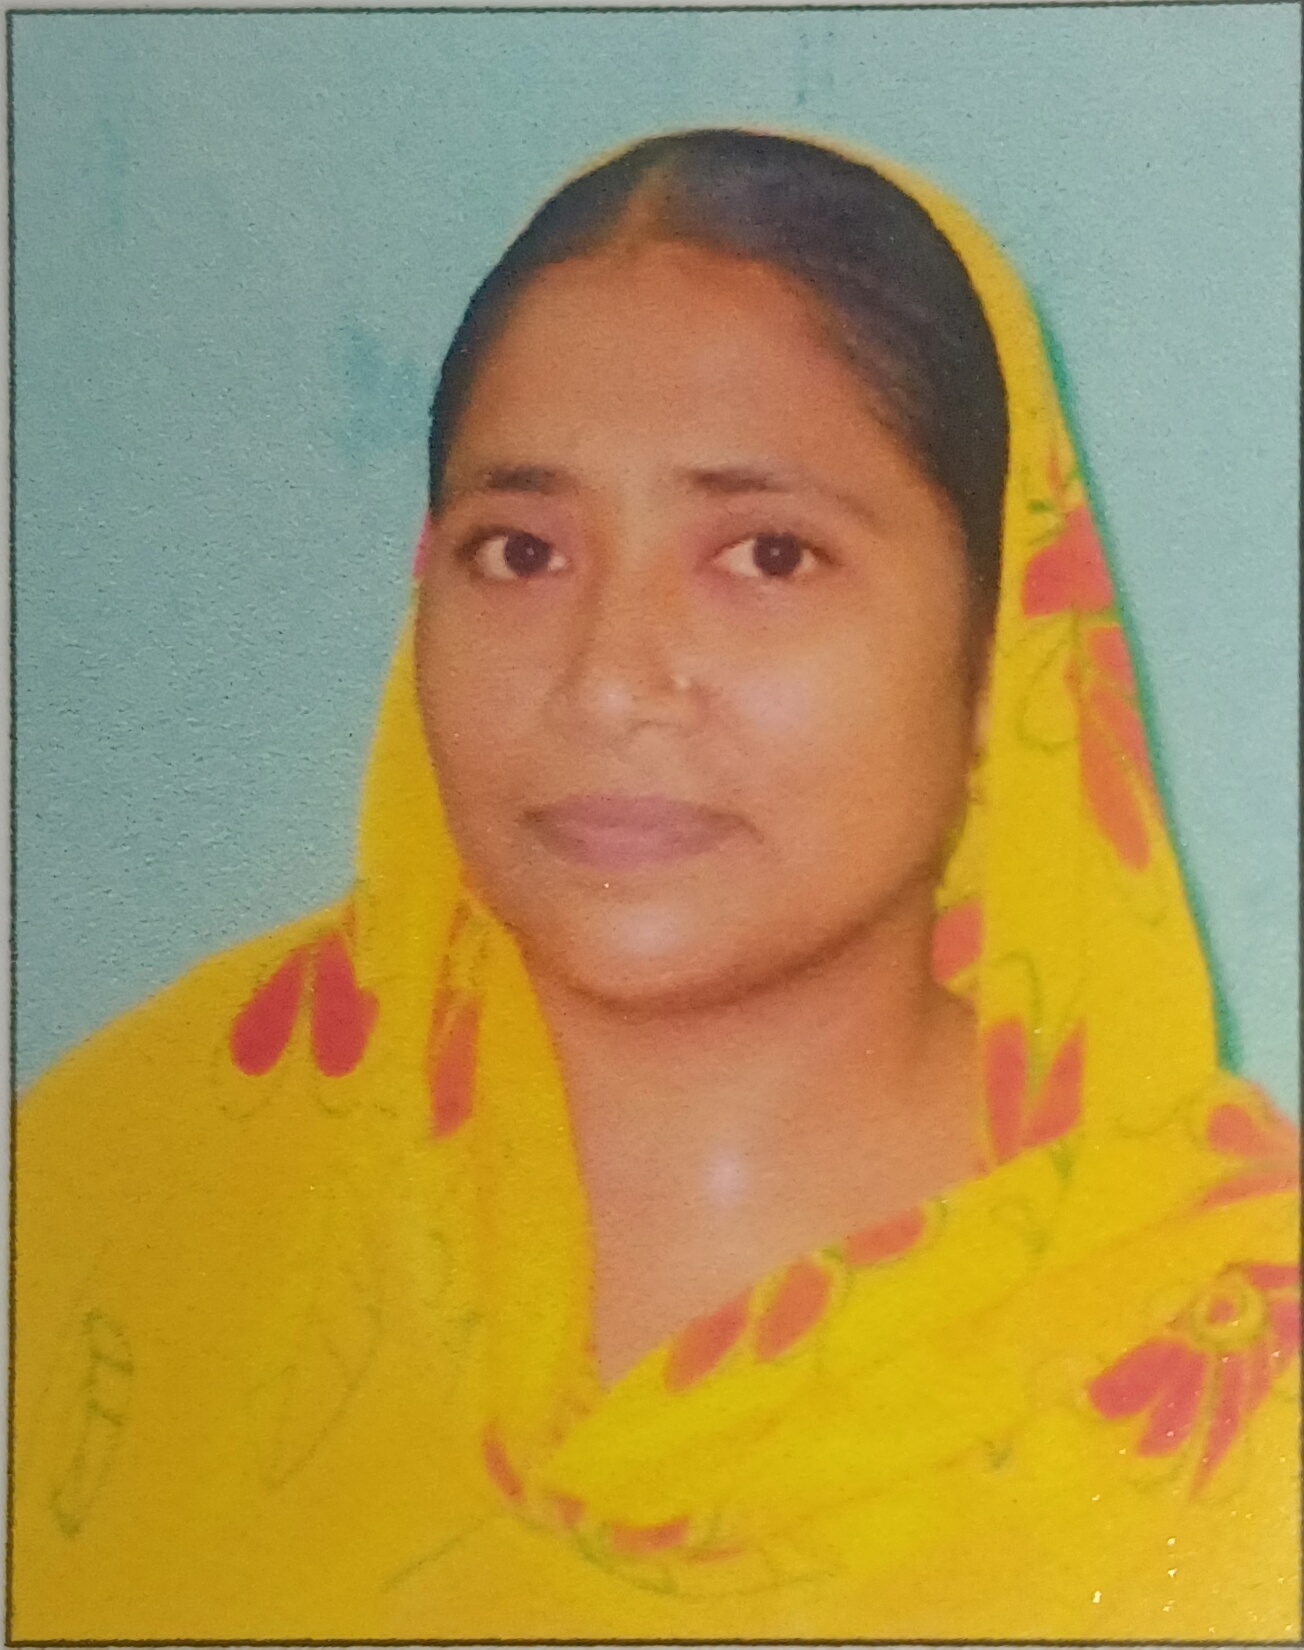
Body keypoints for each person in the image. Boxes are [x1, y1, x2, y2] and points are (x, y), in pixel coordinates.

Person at [13, 130, 1298, 1640]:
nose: (612, 679)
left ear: (1004, 637)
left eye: (768, 555)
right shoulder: (130, 1196)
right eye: (520, 552)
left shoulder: (1225, 1348)